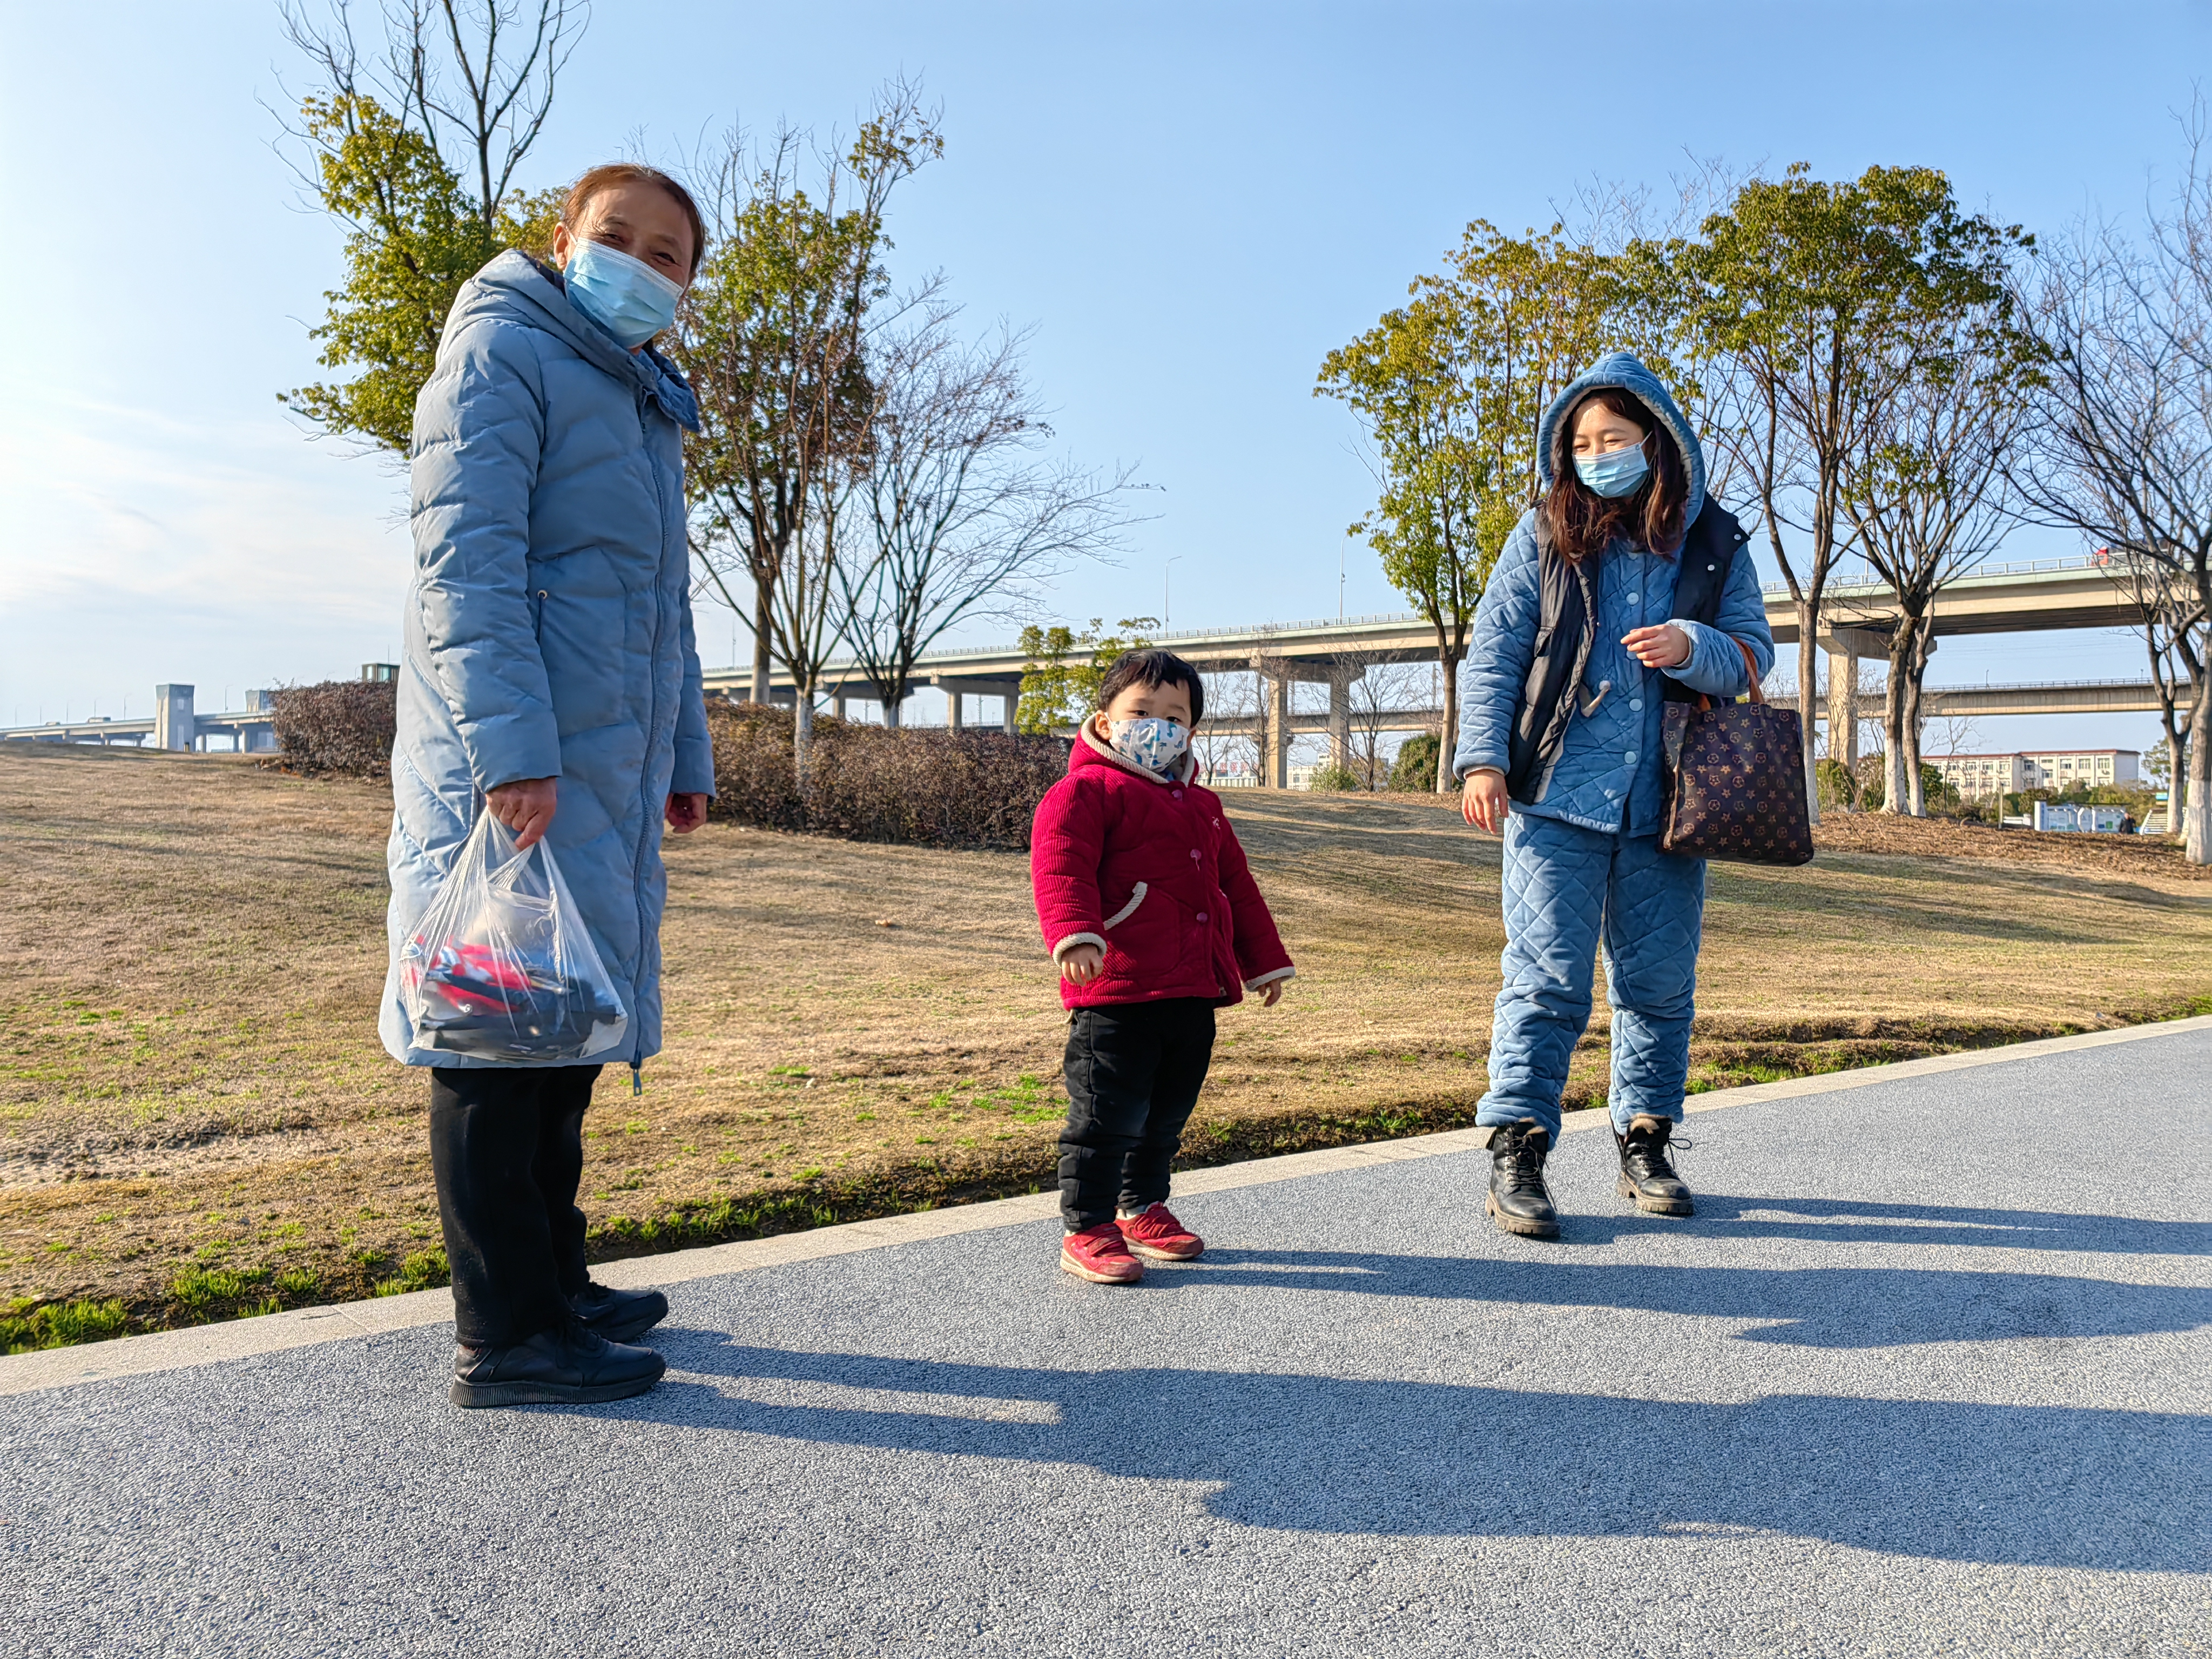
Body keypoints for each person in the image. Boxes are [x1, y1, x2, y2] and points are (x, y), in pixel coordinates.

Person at [379, 164, 717, 1406]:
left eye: (668, 252)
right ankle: (505, 1331)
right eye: (616, 235)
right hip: (511, 772)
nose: (639, 259)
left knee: (558, 1037)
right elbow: (462, 568)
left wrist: (683, 758)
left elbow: (661, 618)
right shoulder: (501, 353)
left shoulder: (639, 399)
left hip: (602, 779)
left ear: (686, 285)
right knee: (491, 1044)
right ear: (562, 237)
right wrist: (514, 748)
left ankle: (554, 1280)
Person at [1454, 353, 1776, 1240]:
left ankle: (1646, 1137)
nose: (1597, 452)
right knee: (1545, 978)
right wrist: (1482, 761)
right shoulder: (1541, 535)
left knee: (1659, 983)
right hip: (1555, 794)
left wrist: (1691, 644)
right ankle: (1516, 1148)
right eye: (1583, 440)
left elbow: (1754, 649)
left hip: (1670, 800)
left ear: (1657, 441)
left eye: (1615, 437)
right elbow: (1493, 654)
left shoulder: (1712, 537)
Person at [1030, 650, 1296, 1284]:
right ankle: (1087, 1224)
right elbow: (1060, 865)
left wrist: (1264, 962)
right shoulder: (1084, 792)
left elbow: (1237, 886)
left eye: (1173, 716)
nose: (1157, 725)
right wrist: (1075, 936)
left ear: (1191, 731)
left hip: (1191, 989)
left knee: (1164, 1114)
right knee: (1106, 1115)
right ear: (1104, 719)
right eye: (1141, 712)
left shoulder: (1202, 806)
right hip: (1117, 991)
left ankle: (1141, 1207)